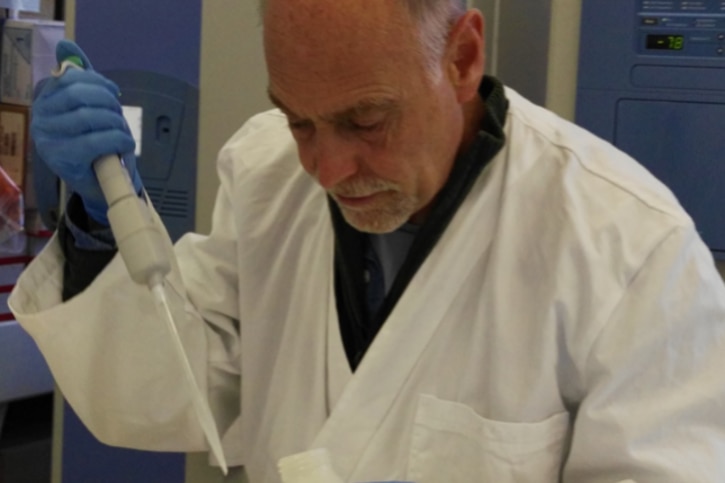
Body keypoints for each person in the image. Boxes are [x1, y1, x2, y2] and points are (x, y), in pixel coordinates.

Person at [10, 0, 725, 481]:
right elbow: (180, 387)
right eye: (298, 121)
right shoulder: (264, 174)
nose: (326, 168)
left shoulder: (626, 247)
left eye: (365, 120)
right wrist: (103, 225)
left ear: (462, 55)